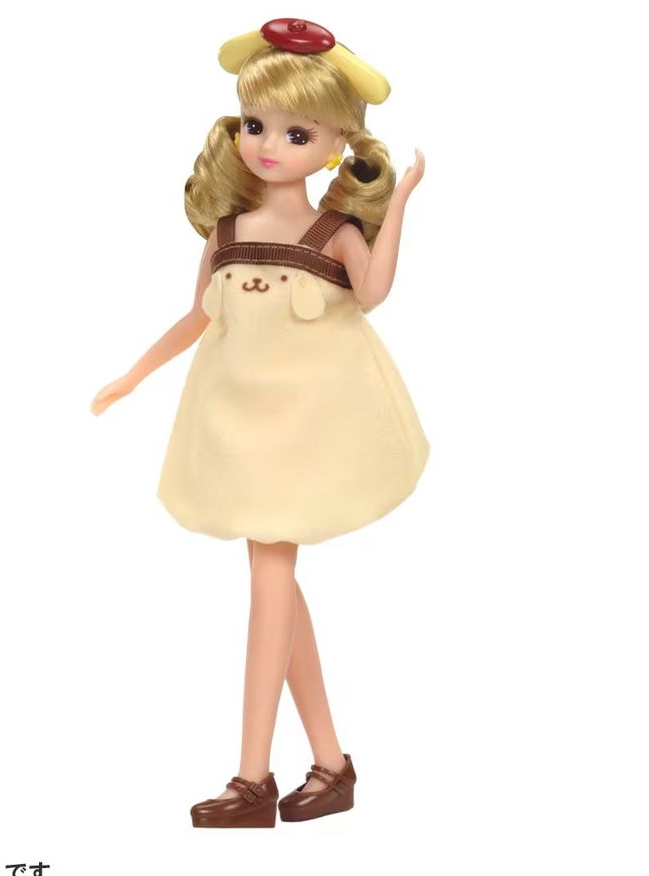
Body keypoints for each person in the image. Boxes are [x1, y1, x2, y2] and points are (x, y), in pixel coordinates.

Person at [91, 18, 429, 827]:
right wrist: (135, 373)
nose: (270, 146)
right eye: (255, 125)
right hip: (238, 430)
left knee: (269, 581)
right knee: (277, 584)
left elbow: (373, 294)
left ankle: (252, 780)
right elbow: (198, 317)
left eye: (296, 134)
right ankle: (332, 766)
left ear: (338, 146)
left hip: (307, 431)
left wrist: (400, 202)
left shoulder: (333, 234)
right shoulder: (227, 233)